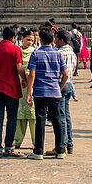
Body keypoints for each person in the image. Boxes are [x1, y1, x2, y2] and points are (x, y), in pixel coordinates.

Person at [26, 26, 67, 159]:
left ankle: (38, 152)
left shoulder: (36, 54)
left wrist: (28, 93)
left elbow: (31, 74)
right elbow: (65, 74)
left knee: (40, 121)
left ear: (41, 40)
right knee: (57, 120)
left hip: (39, 92)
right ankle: (60, 150)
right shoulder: (58, 53)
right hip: (54, 91)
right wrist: (59, 88)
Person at [0, 25, 25, 157]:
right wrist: (24, 79)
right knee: (12, 118)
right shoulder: (15, 49)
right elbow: (19, 68)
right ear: (13, 38)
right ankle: (9, 146)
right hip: (12, 88)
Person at [54, 29, 78, 155]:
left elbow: (61, 73)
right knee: (67, 116)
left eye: (56, 39)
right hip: (69, 84)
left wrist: (59, 87)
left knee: (61, 117)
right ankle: (70, 144)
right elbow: (72, 72)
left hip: (61, 85)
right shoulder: (72, 53)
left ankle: (62, 145)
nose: (55, 41)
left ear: (61, 40)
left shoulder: (59, 53)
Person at [12, 30, 36, 152]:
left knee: (33, 115)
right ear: (22, 38)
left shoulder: (35, 52)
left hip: (32, 85)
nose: (30, 42)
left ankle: (36, 141)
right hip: (20, 85)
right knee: (19, 114)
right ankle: (17, 140)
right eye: (28, 40)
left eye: (32, 40)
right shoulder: (17, 51)